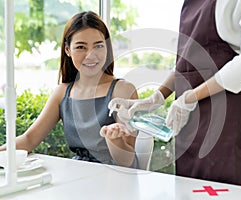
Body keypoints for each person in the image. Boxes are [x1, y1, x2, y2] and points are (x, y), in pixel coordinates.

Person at [108, 0, 241, 186]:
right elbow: (187, 62)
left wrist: (191, 97)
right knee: (189, 190)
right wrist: (156, 98)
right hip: (190, 125)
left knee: (224, 193)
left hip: (228, 121)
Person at [0, 11, 138, 168]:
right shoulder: (62, 93)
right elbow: (29, 139)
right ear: (67, 50)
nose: (91, 55)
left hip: (118, 179)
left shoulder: (123, 91)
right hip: (79, 174)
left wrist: (115, 139)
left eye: (98, 46)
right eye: (81, 47)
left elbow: (126, 161)